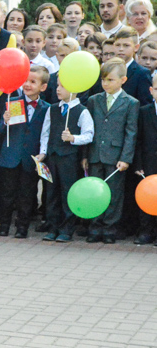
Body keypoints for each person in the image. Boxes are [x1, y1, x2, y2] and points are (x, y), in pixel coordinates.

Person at [85, 58, 139, 244]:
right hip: (95, 153)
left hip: (115, 156)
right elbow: (88, 129)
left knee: (114, 194)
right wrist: (85, 155)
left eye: (110, 80)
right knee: (95, 191)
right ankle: (95, 226)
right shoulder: (94, 100)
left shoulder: (130, 103)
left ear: (123, 80)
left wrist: (126, 158)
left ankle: (110, 228)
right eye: (103, 80)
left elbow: (131, 132)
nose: (105, 84)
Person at [38, 76, 94, 242]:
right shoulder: (53, 109)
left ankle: (67, 228)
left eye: (63, 86)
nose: (58, 89)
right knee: (51, 192)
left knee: (67, 192)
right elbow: (45, 133)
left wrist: (73, 138)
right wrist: (43, 152)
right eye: (57, 85)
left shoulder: (82, 111)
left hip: (69, 158)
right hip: (53, 156)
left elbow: (89, 135)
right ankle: (53, 226)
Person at [0, 65, 49, 238]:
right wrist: (5, 121)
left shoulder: (47, 108)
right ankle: (4, 225)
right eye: (25, 81)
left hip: (30, 157)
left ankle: (22, 227)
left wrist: (42, 154)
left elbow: (45, 133)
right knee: (7, 193)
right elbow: (0, 131)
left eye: (33, 82)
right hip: (11, 156)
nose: (27, 85)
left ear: (43, 87)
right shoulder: (14, 102)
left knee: (27, 194)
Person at [134, 72, 157, 246]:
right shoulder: (144, 112)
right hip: (148, 162)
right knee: (147, 195)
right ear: (151, 90)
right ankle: (145, 231)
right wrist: (139, 164)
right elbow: (138, 140)